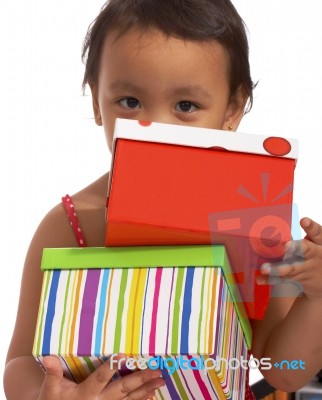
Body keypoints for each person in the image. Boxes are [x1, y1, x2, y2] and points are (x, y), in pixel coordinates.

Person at [3, 0, 322, 399]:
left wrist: (316, 298)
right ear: (95, 101)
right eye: (130, 102)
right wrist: (47, 393)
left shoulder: (254, 222)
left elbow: (283, 373)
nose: (154, 127)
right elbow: (19, 364)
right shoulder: (69, 222)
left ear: (233, 109)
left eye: (186, 106)